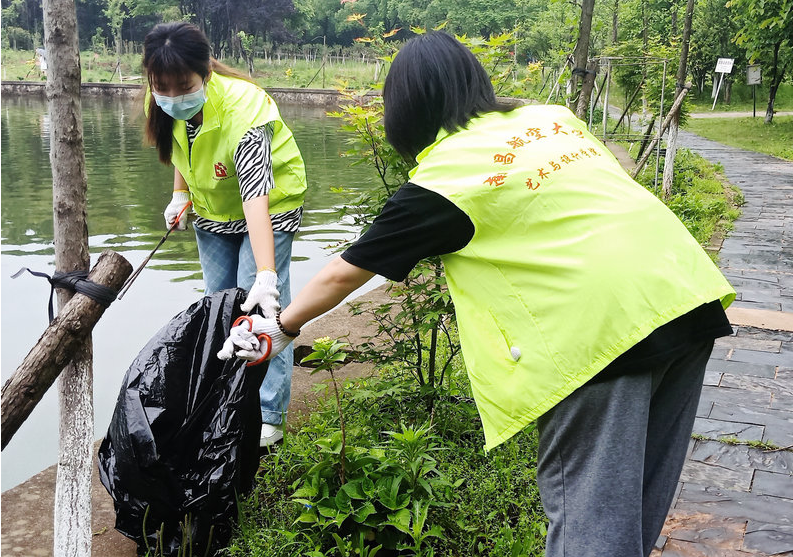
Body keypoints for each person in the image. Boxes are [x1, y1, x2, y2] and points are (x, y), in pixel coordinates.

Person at [219, 32, 735, 556]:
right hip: (686, 298)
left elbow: (342, 274)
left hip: (602, 333)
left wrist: (281, 327)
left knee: (590, 520)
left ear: (407, 107)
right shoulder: (551, 119)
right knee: (637, 501)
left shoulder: (447, 177)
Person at [143, 22, 307, 447]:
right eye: (163, 87)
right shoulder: (160, 94)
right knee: (220, 308)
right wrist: (180, 194)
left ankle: (268, 415)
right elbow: (182, 144)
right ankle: (229, 401)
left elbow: (256, 199)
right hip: (214, 211)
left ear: (206, 75)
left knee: (262, 313)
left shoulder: (245, 111)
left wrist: (267, 274)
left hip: (270, 208)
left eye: (184, 86)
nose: (173, 96)